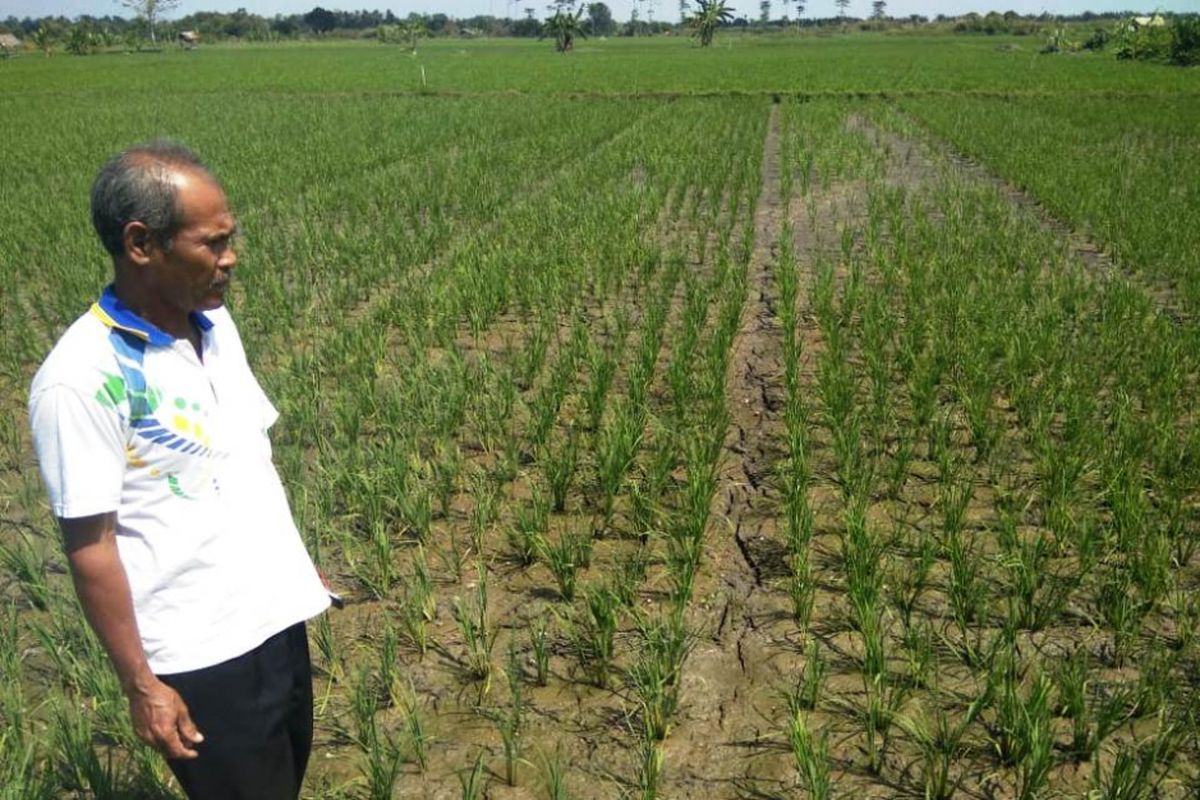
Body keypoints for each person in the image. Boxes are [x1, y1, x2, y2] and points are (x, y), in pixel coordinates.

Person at [28, 141, 332, 800]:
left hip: (276, 621)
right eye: (213, 243)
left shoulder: (214, 326)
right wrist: (142, 684)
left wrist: (293, 564)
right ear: (142, 244)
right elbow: (91, 546)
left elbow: (246, 460)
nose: (231, 258)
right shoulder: (83, 379)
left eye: (232, 239)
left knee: (286, 782)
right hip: (203, 654)